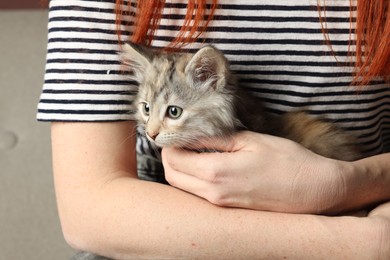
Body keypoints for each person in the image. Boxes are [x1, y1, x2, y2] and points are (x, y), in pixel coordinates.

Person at [38, 0, 390, 259]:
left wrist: (347, 184)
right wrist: (359, 243)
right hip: (154, 211)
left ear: (212, 79)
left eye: (171, 112)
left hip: (368, 201)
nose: (152, 130)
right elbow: (89, 212)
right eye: (147, 111)